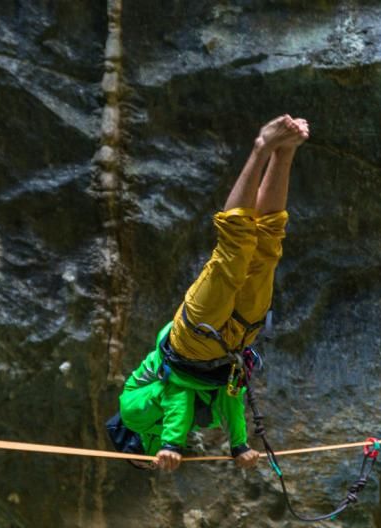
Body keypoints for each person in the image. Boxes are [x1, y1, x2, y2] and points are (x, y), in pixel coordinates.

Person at [106, 115, 309, 471]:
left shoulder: (132, 413)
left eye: (147, 464)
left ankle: (262, 147)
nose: (155, 466)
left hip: (192, 341)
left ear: (138, 451)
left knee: (234, 251)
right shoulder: (204, 422)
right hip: (236, 343)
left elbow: (175, 392)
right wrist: (239, 446)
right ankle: (284, 153)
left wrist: (169, 443)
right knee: (266, 249)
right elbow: (232, 392)